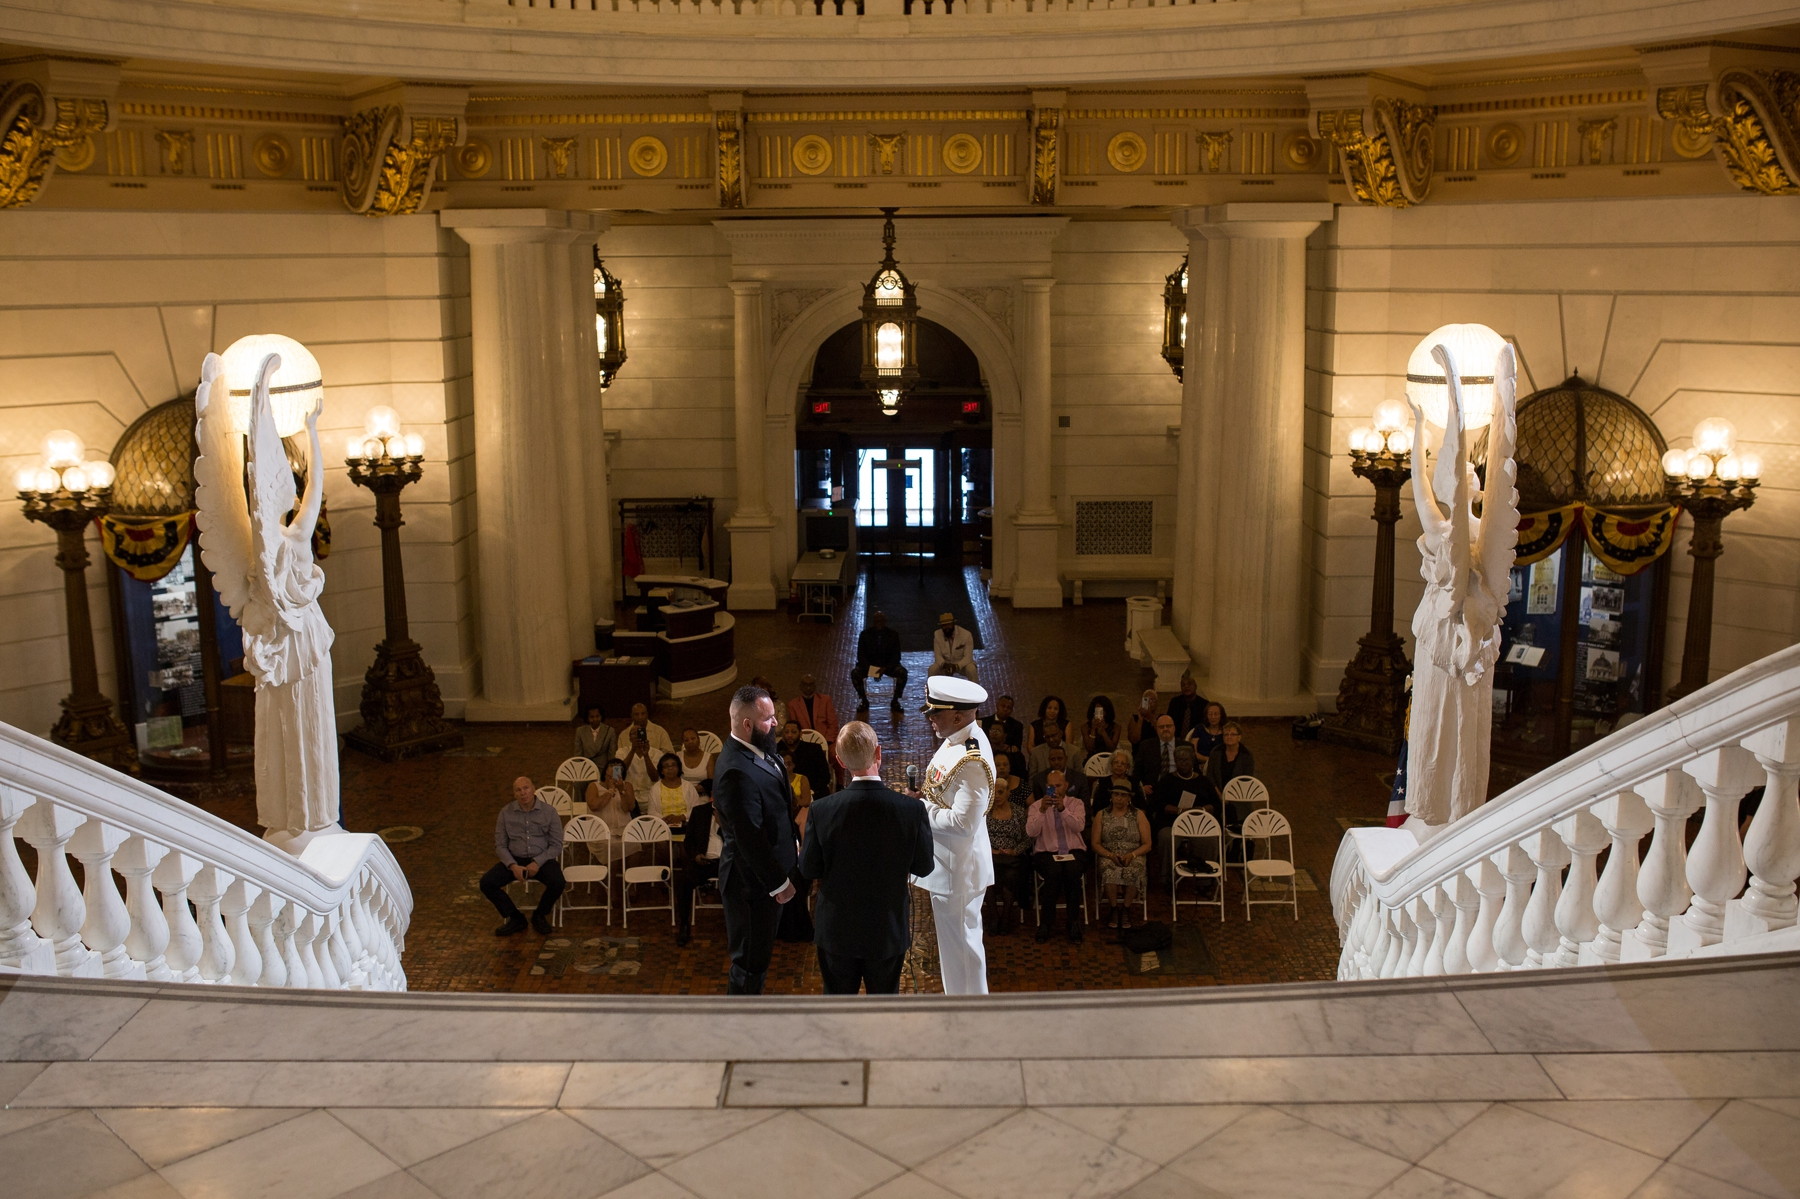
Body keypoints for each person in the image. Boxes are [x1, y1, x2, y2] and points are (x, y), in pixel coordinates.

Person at [799, 720, 935, 994]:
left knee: (838, 1008)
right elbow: (924, 866)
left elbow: (809, 869)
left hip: (837, 930)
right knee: (884, 1009)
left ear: (840, 761)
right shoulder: (911, 809)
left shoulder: (822, 810)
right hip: (886, 929)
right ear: (878, 753)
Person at [911, 676, 996, 995]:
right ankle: (960, 1007)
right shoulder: (956, 737)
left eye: (936, 713)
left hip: (959, 870)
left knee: (962, 950)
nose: (930, 718)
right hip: (948, 866)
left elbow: (963, 823)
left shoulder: (972, 759)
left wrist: (920, 809)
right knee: (954, 948)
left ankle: (970, 1012)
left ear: (958, 716)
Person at [711, 684, 799, 994]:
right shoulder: (735, 772)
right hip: (750, 885)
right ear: (747, 724)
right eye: (769, 719)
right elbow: (749, 837)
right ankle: (742, 1017)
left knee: (760, 956)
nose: (776, 723)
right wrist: (779, 883)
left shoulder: (762, 750)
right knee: (750, 962)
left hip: (766, 876)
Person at [478, 776, 566, 936]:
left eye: (526, 788)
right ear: (514, 794)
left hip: (542, 858)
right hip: (515, 859)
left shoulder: (549, 812)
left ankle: (540, 914)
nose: (523, 793)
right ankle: (516, 918)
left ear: (533, 789)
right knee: (487, 882)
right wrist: (512, 866)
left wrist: (537, 862)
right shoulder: (505, 813)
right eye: (518, 790)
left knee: (558, 882)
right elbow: (500, 845)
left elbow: (556, 844)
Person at [1026, 769, 1087, 943]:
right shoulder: (1036, 806)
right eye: (1051, 786)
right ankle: (1046, 923)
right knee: (1053, 873)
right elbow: (1031, 832)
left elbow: (1079, 827)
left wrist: (1063, 809)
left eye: (1058, 785)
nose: (1055, 789)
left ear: (1066, 786)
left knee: (1072, 873)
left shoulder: (1076, 803)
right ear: (1046, 787)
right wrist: (1042, 811)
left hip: (1073, 851)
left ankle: (1073, 922)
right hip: (1047, 852)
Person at [1149, 744, 1217, 882]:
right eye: (1179, 760)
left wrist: (1202, 810)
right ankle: (1167, 876)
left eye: (1186, 760)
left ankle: (1204, 879)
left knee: (1210, 839)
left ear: (1193, 760)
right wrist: (1179, 810)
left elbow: (1215, 803)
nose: (1183, 763)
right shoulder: (1167, 780)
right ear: (1175, 761)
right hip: (1171, 823)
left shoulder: (1203, 781)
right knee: (1166, 837)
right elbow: (1157, 804)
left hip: (1198, 824)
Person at [985, 750, 1033, 934]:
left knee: (1011, 877)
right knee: (986, 877)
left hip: (1012, 858)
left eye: (1001, 792)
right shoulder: (985, 813)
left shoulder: (1018, 812)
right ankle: (993, 916)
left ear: (1007, 793)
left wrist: (1014, 851)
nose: (997, 796)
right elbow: (978, 838)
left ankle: (1005, 916)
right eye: (995, 792)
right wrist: (991, 850)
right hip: (991, 856)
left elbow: (1027, 838)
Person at [1094, 783, 1152, 930]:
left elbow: (1147, 844)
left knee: (1135, 869)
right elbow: (1095, 843)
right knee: (1108, 870)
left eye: (1123, 795)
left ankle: (1126, 908)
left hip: (1133, 853)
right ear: (1111, 796)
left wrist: (1132, 854)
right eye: (1116, 794)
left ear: (1129, 798)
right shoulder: (1102, 815)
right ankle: (1114, 908)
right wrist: (1109, 855)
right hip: (1109, 854)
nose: (1119, 798)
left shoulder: (1138, 815)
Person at [674, 783, 718, 947]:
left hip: (727, 862)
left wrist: (724, 824)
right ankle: (684, 926)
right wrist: (695, 856)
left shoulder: (736, 812)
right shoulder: (700, 812)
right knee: (683, 881)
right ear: (713, 794)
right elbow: (689, 841)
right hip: (704, 860)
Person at [852, 609, 907, 711]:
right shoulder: (864, 635)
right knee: (855, 673)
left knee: (902, 673)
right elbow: (861, 656)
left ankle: (895, 700)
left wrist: (885, 668)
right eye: (877, 621)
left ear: (885, 621)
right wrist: (872, 669)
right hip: (869, 667)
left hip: (887, 667)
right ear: (873, 622)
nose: (879, 623)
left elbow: (896, 656)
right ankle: (864, 700)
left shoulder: (893, 635)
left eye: (881, 620)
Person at [778, 719, 832, 799]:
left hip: (812, 790)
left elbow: (825, 776)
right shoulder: (776, 750)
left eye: (794, 732)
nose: (789, 735)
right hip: (784, 793)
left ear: (800, 734)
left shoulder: (814, 749)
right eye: (786, 732)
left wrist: (807, 790)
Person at [647, 752, 699, 828]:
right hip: (662, 826)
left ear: (679, 768)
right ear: (661, 771)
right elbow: (651, 812)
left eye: (673, 765)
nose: (670, 768)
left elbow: (696, 809)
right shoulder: (655, 789)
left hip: (686, 826)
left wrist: (681, 817)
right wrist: (666, 819)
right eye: (666, 766)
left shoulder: (688, 786)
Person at [1134, 714, 1182, 795]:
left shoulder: (1185, 746)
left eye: (1168, 726)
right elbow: (1137, 772)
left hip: (1179, 788)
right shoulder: (1146, 746)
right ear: (1156, 729)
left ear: (1174, 728)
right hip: (1152, 790)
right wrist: (1141, 787)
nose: (1165, 729)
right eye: (1161, 727)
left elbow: (1194, 771)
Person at [786, 673, 840, 745]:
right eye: (805, 685)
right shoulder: (793, 705)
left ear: (815, 686)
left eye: (810, 685)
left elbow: (833, 724)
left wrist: (827, 741)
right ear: (800, 686)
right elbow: (794, 728)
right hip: (804, 742)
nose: (808, 688)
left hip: (825, 740)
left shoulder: (825, 700)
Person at [1206, 721, 1256, 791]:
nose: (1229, 737)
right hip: (1216, 792)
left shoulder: (1246, 755)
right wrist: (1218, 793)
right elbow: (1210, 775)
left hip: (1239, 793)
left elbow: (1247, 778)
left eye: (1233, 734)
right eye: (1226, 734)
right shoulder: (1215, 752)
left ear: (1239, 737)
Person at [930, 612, 978, 682]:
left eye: (948, 624)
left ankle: (976, 688)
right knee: (932, 669)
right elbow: (937, 656)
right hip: (945, 664)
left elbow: (968, 657)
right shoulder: (937, 634)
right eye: (944, 625)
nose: (947, 627)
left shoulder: (966, 635)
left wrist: (957, 666)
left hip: (961, 663)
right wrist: (944, 664)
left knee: (971, 669)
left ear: (953, 624)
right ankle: (931, 688)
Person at [613, 723, 658, 792]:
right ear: (630, 738)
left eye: (640, 733)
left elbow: (655, 778)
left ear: (645, 735)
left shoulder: (656, 753)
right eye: (634, 733)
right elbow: (616, 775)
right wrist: (632, 750)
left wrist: (646, 755)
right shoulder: (620, 752)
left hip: (649, 793)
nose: (637, 735)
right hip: (627, 792)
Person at [983, 694, 1024, 762]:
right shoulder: (984, 722)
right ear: (997, 706)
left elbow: (1016, 748)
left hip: (1009, 759)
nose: (1005, 709)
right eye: (1003, 706)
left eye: (1009, 707)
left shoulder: (1017, 726)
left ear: (1012, 710)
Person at [1167, 672, 1207, 742]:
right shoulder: (1175, 702)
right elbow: (1168, 721)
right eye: (1183, 685)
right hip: (1175, 739)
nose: (1186, 687)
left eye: (1189, 684)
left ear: (1195, 686)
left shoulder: (1204, 704)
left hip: (1196, 740)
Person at [575, 705, 616, 772]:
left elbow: (612, 755)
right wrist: (578, 772)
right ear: (587, 718)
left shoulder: (610, 731)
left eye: (597, 716)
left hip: (603, 770)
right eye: (592, 717)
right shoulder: (580, 731)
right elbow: (578, 755)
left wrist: (614, 774)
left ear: (601, 716)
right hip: (586, 769)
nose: (595, 719)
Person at [1079, 694, 1120, 759]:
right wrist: (1093, 730)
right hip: (1092, 759)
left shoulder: (1116, 727)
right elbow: (1089, 749)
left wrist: (1103, 733)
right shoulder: (1085, 727)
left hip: (1109, 758)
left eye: (1102, 711)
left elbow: (1112, 748)